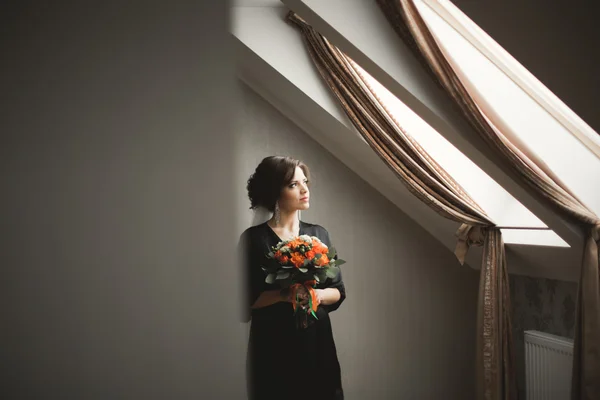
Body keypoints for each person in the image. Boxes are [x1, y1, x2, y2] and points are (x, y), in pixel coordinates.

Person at [239, 156, 346, 400]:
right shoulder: (254, 240)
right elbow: (245, 301)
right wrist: (285, 294)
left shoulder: (319, 234)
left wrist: (314, 295)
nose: (304, 189)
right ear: (274, 191)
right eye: (293, 185)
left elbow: (338, 290)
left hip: (317, 342)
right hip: (273, 345)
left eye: (304, 182)